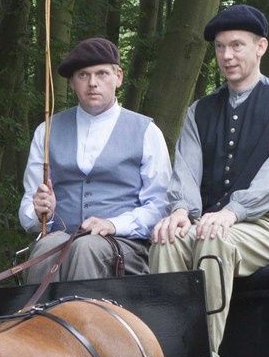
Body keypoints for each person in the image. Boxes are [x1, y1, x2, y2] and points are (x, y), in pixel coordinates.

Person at [150, 4, 269, 357]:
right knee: (166, 239)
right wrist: (180, 211)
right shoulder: (199, 111)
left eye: (237, 45)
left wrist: (233, 211)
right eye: (220, 47)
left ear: (260, 47)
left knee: (213, 239)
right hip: (208, 222)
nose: (227, 55)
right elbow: (186, 171)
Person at [18, 37, 171, 281]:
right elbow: (28, 206)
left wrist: (114, 224)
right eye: (83, 75)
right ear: (71, 82)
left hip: (124, 245)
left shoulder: (146, 132)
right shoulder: (46, 131)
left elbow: (160, 206)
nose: (92, 83)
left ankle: (83, 309)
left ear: (118, 77)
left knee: (86, 247)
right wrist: (40, 213)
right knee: (46, 248)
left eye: (102, 74)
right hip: (60, 238)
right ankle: (40, 308)